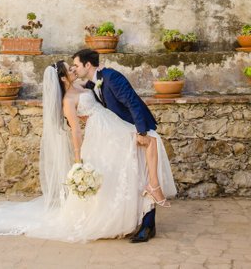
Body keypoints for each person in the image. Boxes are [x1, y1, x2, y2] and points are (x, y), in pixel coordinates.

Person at [0, 61, 176, 243]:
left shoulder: (83, 85)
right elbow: (75, 131)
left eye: (75, 66)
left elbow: (99, 93)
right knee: (122, 170)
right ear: (63, 77)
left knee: (135, 161)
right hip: (100, 137)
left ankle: (145, 214)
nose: (73, 69)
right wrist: (78, 160)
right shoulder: (68, 100)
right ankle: (134, 216)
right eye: (70, 68)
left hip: (112, 128)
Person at [72, 48, 176, 242]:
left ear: (87, 65)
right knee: (135, 176)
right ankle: (144, 221)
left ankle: (148, 225)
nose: (75, 69)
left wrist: (141, 132)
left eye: (76, 65)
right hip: (120, 133)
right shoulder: (92, 83)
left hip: (136, 129)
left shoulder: (112, 77)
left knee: (144, 172)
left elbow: (132, 102)